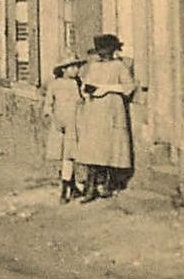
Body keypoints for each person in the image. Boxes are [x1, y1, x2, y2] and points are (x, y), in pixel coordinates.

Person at [73, 33, 136, 201]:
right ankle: (90, 187)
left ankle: (108, 184)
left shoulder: (119, 66)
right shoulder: (93, 67)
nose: (103, 54)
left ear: (114, 51)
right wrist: (86, 91)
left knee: (111, 147)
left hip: (112, 108)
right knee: (92, 149)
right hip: (94, 110)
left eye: (106, 51)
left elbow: (129, 87)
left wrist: (107, 88)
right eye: (101, 51)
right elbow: (86, 84)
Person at [42, 60, 84, 202]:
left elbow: (80, 102)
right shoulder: (54, 85)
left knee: (70, 155)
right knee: (65, 156)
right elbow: (48, 106)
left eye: (77, 67)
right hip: (59, 124)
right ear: (64, 69)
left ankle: (67, 189)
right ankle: (68, 188)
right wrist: (55, 120)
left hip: (74, 123)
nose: (76, 70)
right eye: (73, 67)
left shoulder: (76, 84)